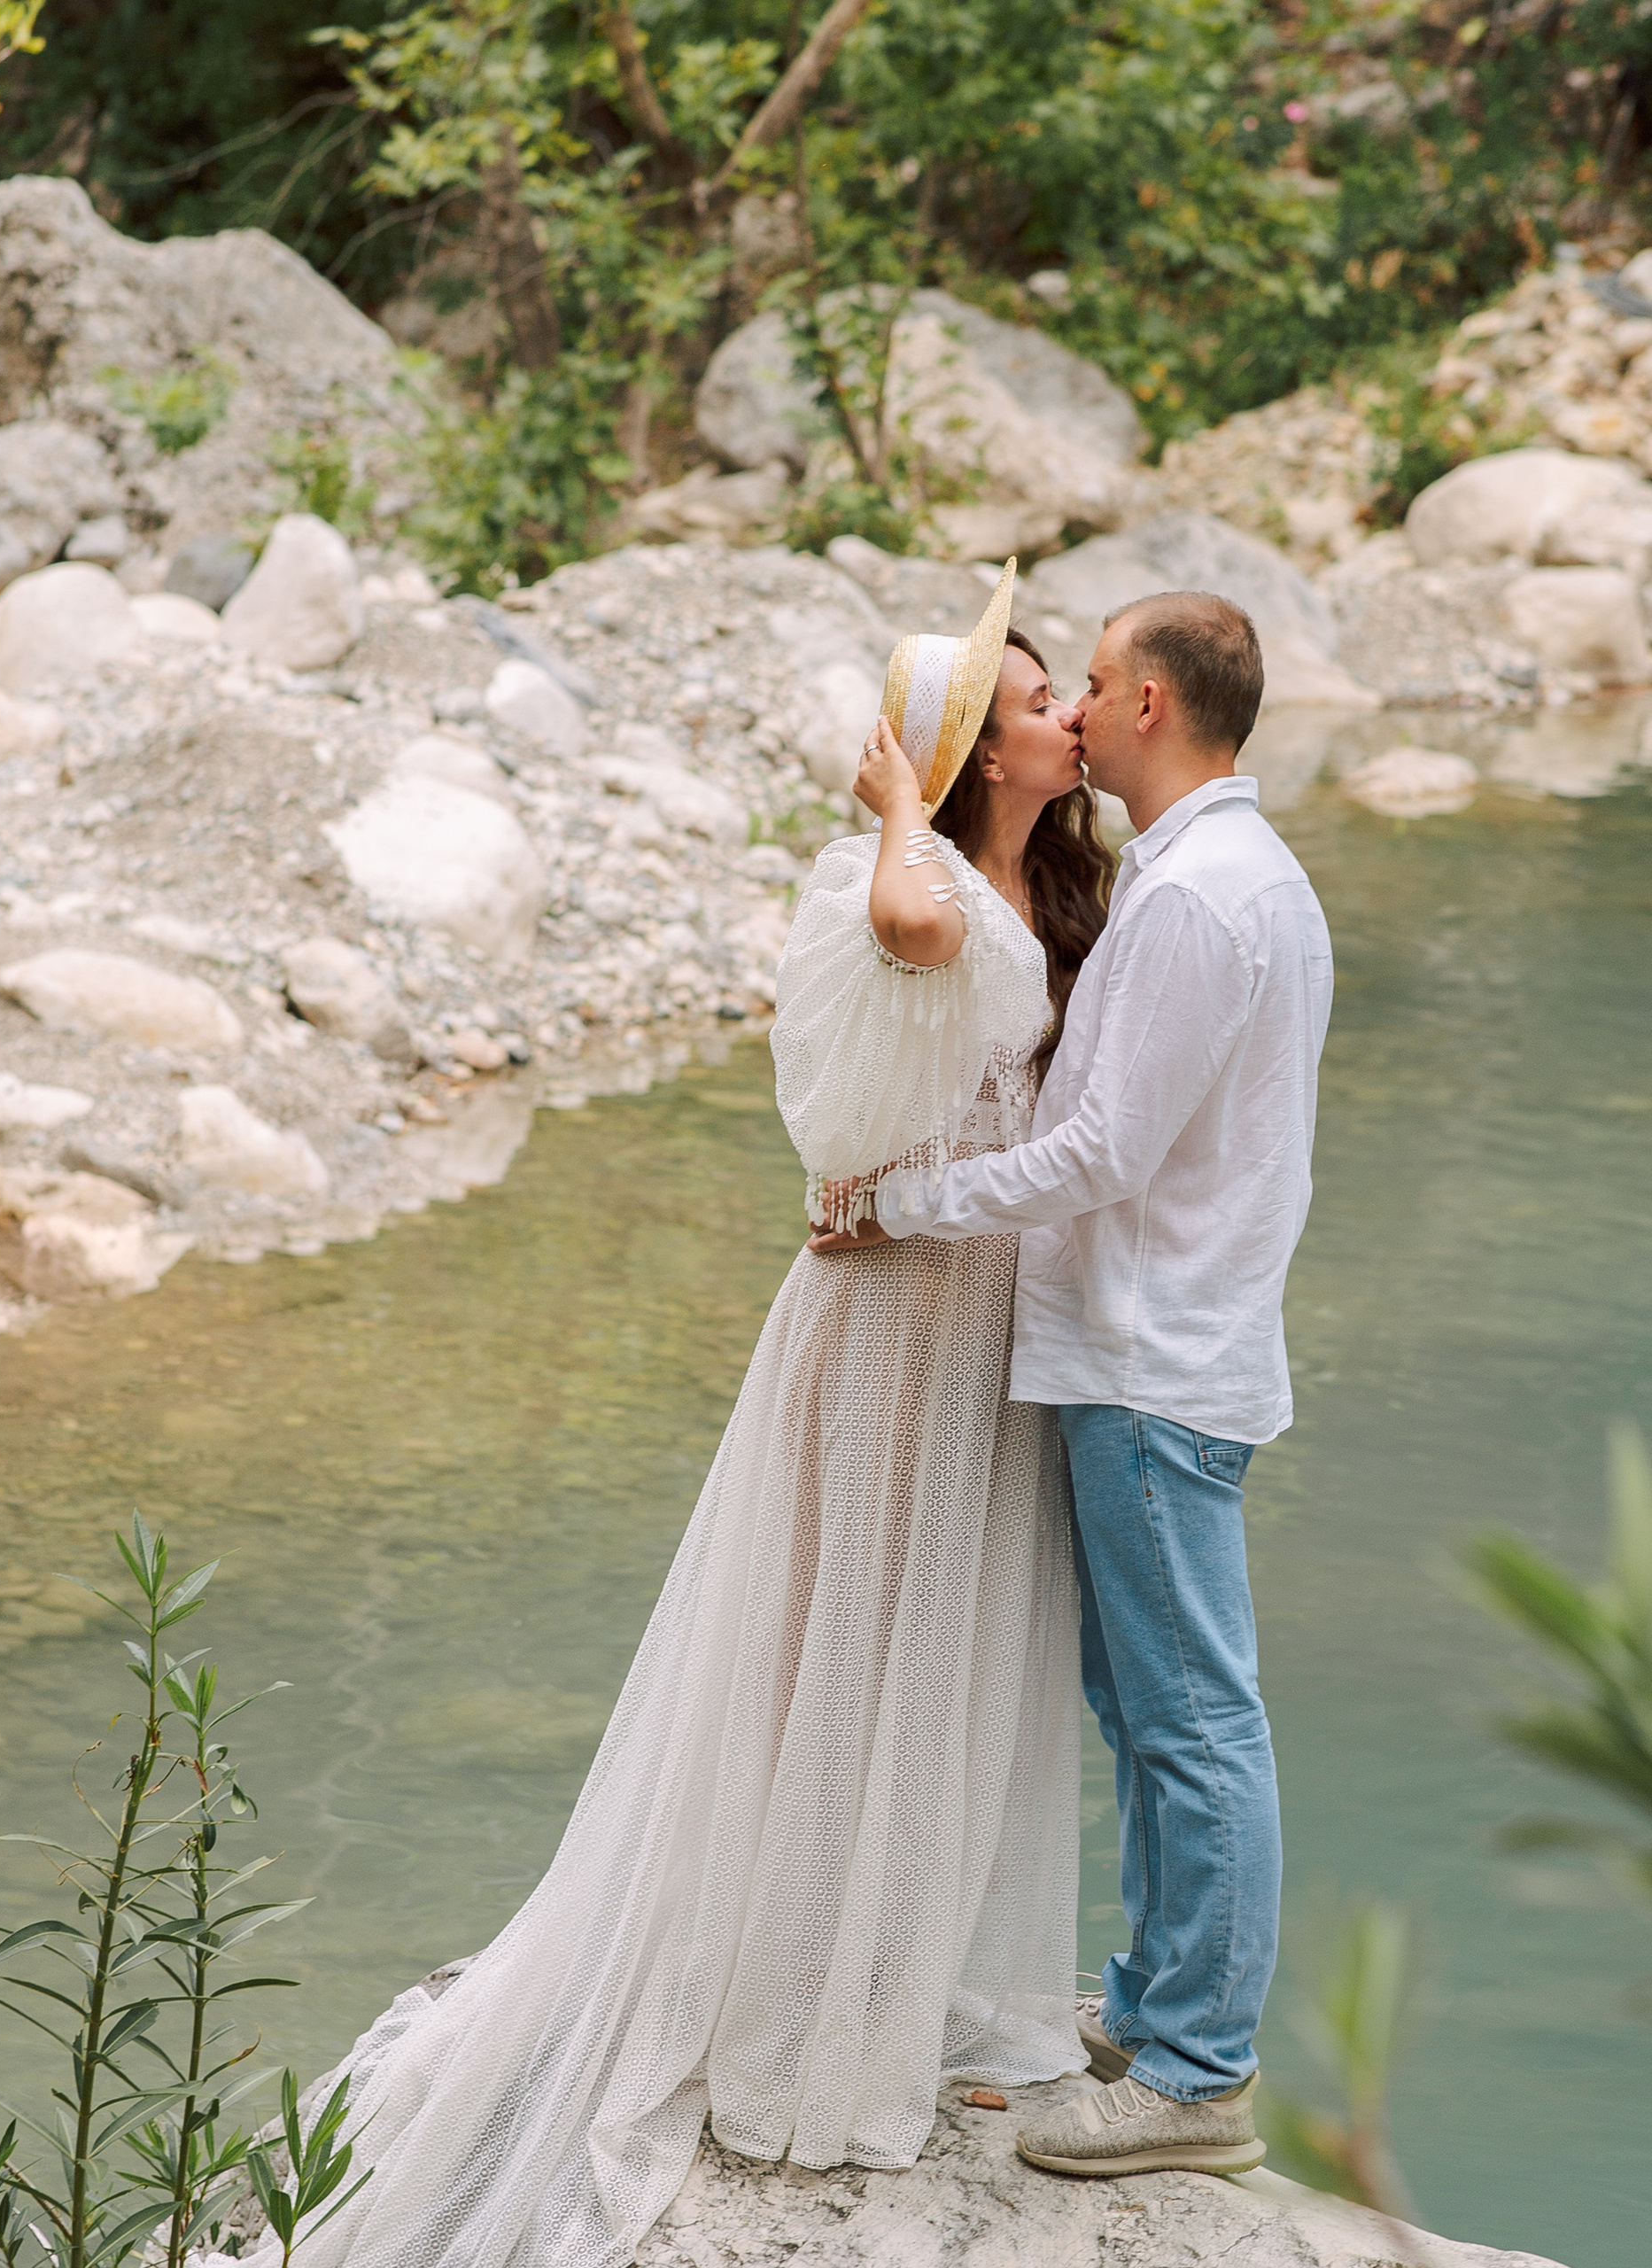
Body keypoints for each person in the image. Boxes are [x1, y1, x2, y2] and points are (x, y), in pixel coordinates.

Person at [297, 565, 1115, 2268]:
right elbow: (910, 941)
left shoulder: (1044, 880)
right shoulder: (914, 876)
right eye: (1040, 701)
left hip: (978, 1299)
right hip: (893, 1309)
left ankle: (883, 1980)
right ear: (977, 750)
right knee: (845, 1637)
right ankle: (794, 2007)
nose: (1070, 717)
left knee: (942, 1636)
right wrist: (896, 807)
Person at [811, 590, 1333, 2181]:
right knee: (1152, 1708)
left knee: (1193, 1723)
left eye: (1093, 683)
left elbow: (1100, 1152)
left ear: (1152, 705)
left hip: (1151, 1358)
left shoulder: (1198, 901)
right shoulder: (1219, 876)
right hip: (1153, 1346)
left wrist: (908, 1203)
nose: (1080, 710)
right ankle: (1163, 2007)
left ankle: (1197, 2076)